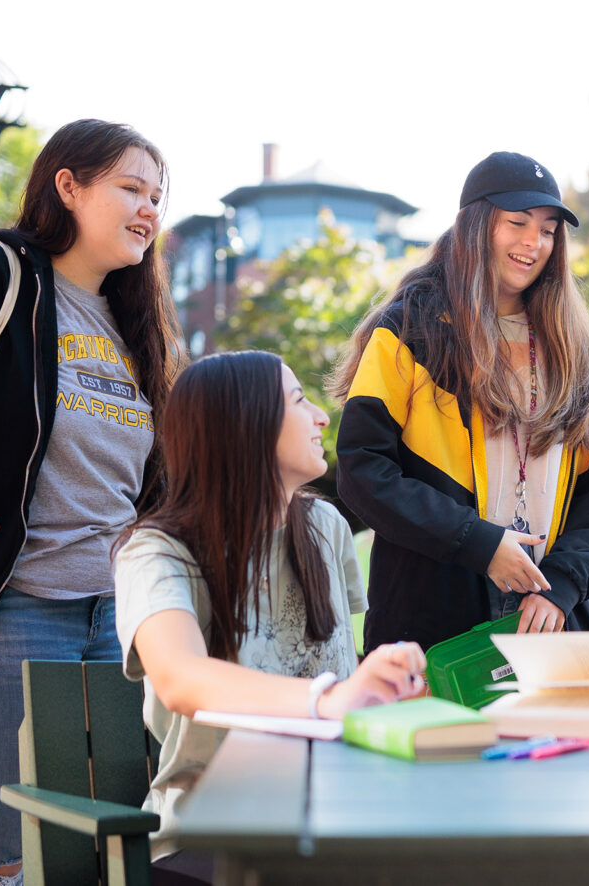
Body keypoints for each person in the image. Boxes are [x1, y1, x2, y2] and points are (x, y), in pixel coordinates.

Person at [0, 119, 183, 886]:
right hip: (6, 616)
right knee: (5, 860)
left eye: (157, 195)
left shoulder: (135, 326)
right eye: (131, 187)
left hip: (114, 620)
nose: (149, 209)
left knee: (97, 852)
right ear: (68, 186)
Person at [114, 351, 426, 877]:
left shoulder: (325, 527)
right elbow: (179, 677)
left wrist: (388, 687)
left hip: (336, 815)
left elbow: (338, 662)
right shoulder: (156, 552)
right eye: (300, 400)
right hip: (208, 833)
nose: (322, 416)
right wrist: (328, 701)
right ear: (246, 424)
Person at [330, 151, 589, 651]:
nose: (533, 242)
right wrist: (481, 544)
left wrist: (559, 588)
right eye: (517, 222)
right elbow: (362, 471)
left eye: (549, 229)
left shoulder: (584, 352)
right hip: (431, 617)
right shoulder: (408, 330)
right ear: (475, 225)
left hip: (550, 620)